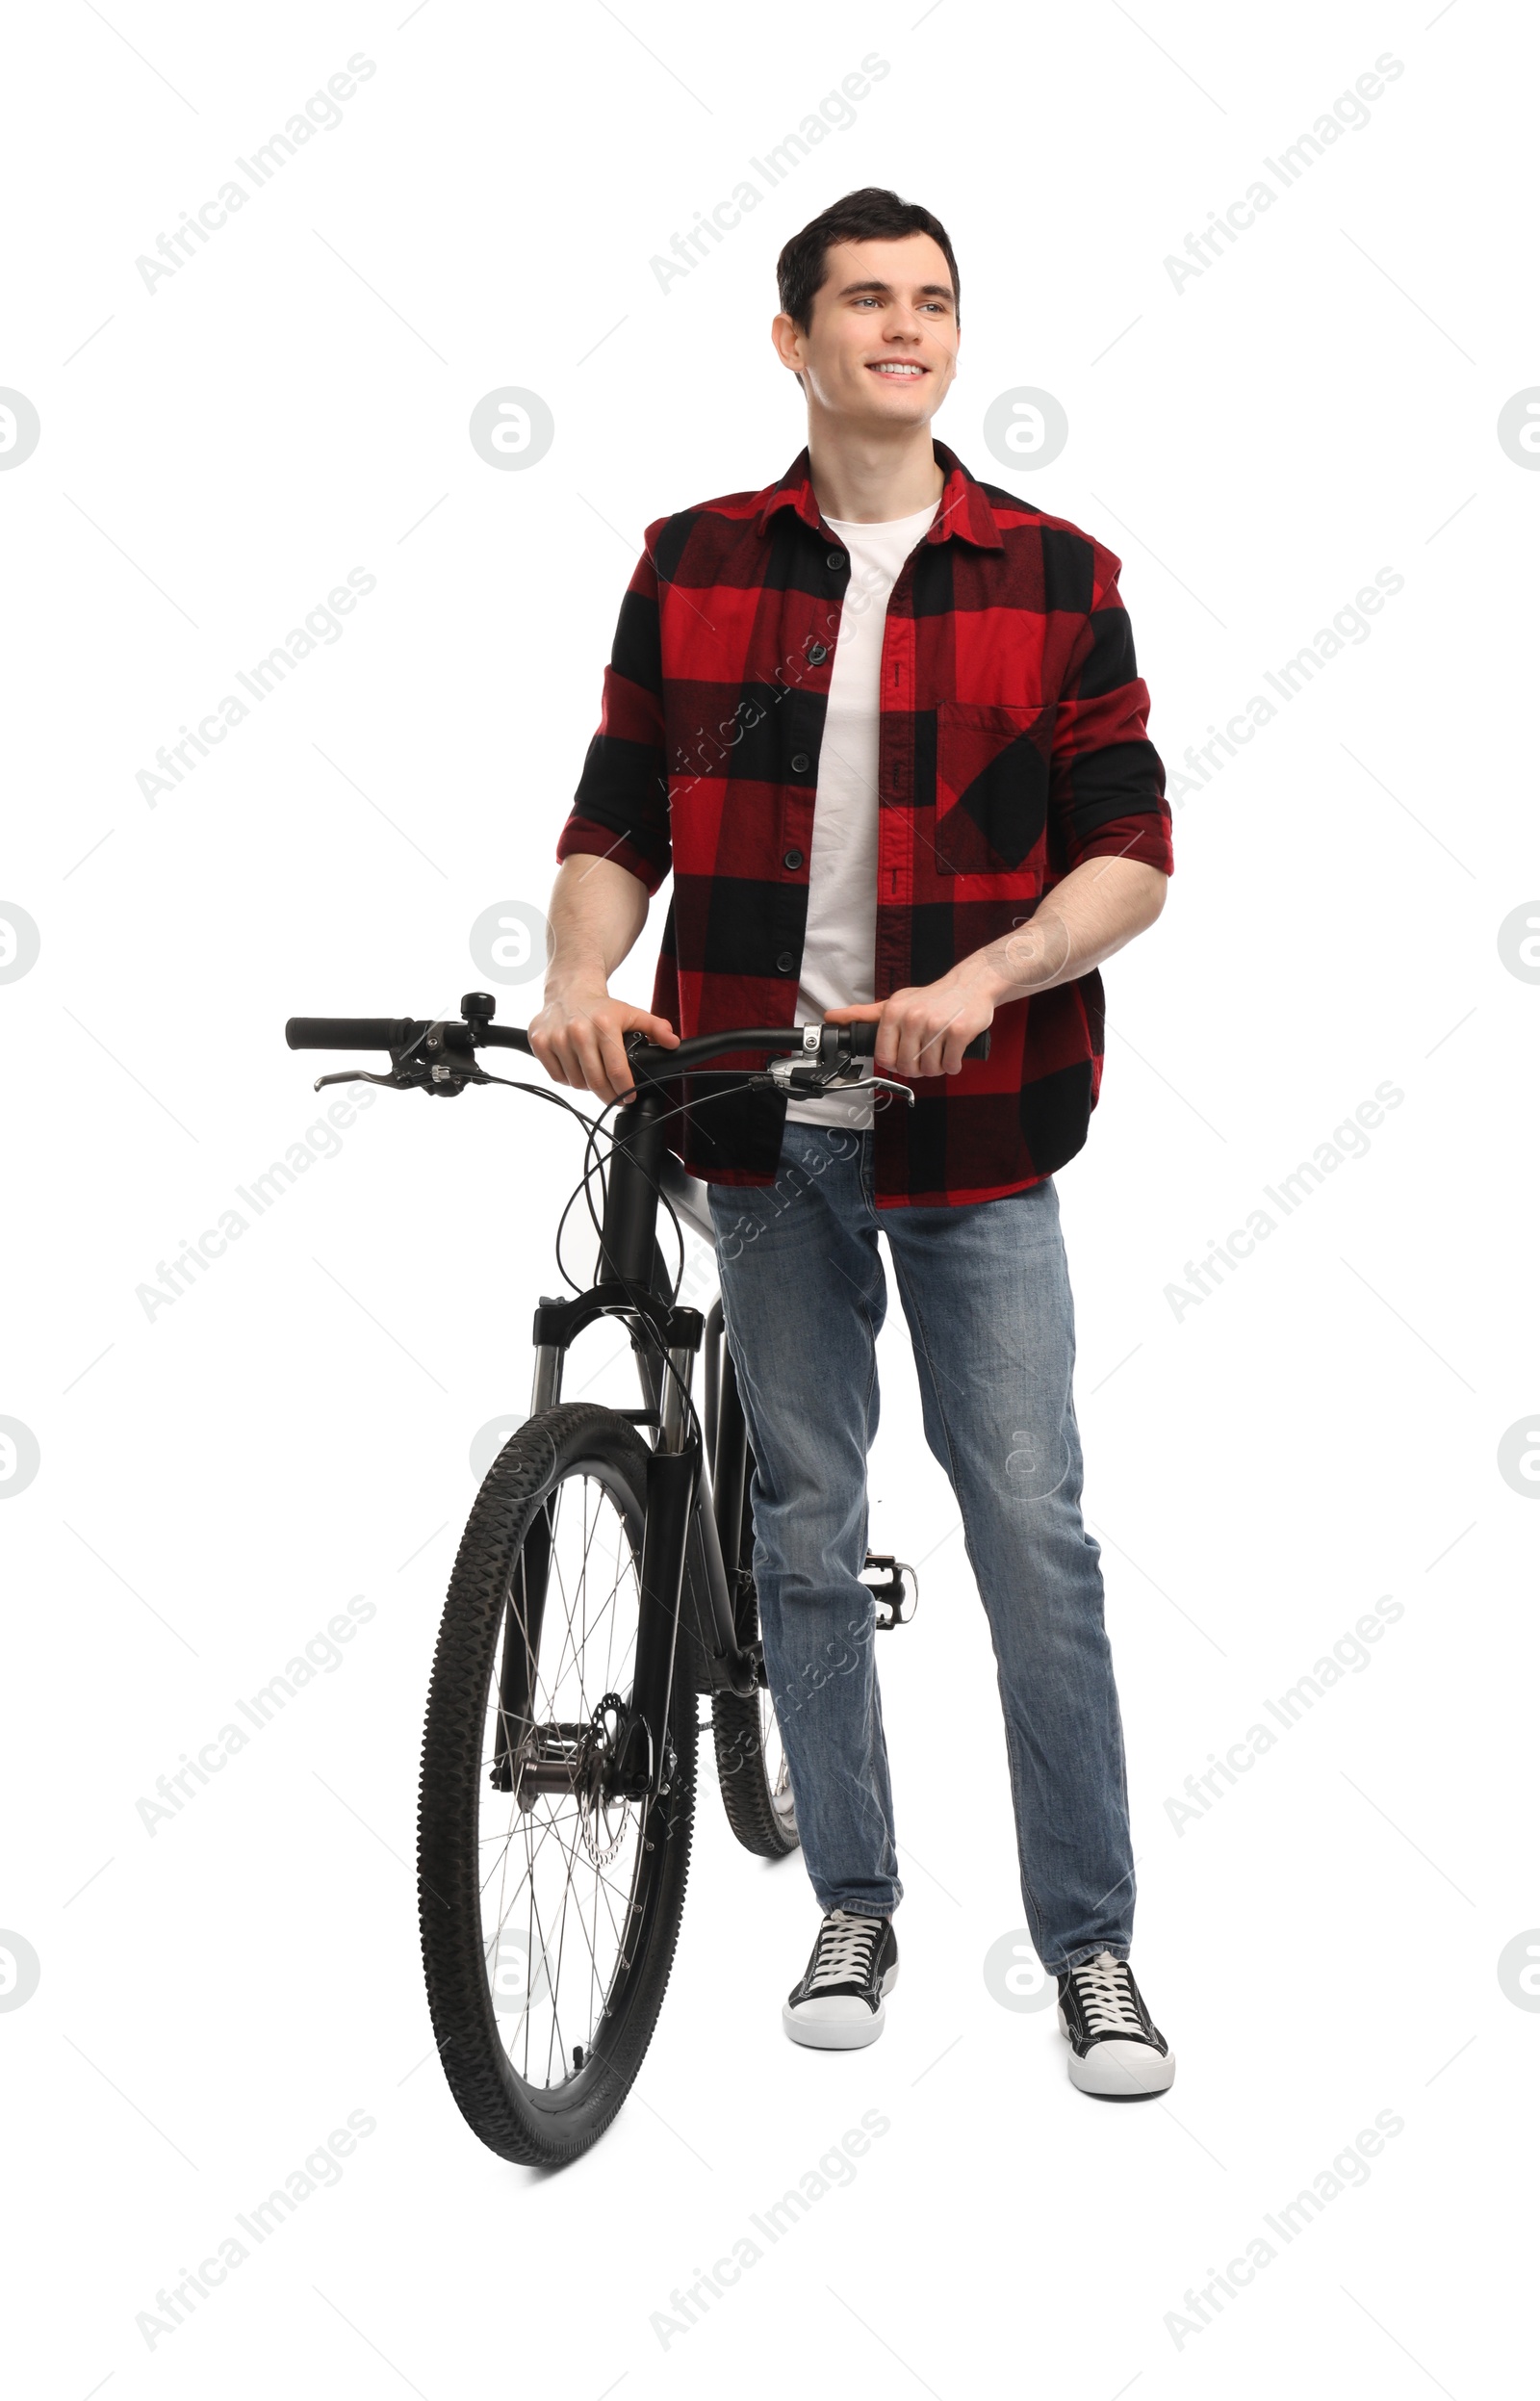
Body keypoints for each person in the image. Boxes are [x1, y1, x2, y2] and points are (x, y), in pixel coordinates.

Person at [529, 187, 1176, 2099]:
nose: (904, 329)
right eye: (866, 302)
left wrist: (989, 971)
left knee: (1028, 1537)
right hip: (752, 1116)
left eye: (932, 303)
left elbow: (1126, 852)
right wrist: (581, 975)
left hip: (975, 1130)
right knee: (805, 1527)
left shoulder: (1054, 576)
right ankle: (855, 1891)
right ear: (791, 340)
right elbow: (616, 810)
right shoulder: (693, 564)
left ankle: (1089, 1942)